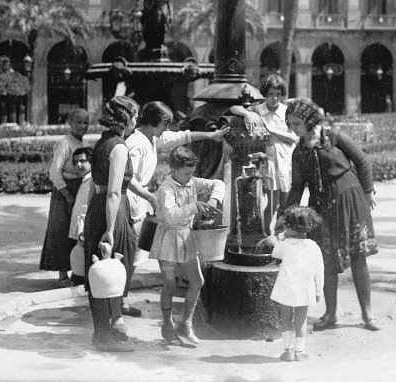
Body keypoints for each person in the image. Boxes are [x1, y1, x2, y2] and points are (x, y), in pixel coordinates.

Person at [122, 101, 230, 316]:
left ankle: (121, 300)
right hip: (130, 200)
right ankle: (118, 302)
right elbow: (127, 178)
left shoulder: (151, 137)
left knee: (133, 255)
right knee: (127, 253)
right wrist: (151, 198)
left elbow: (182, 137)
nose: (167, 129)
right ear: (153, 122)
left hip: (139, 200)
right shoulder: (135, 143)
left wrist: (211, 136)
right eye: (165, 124)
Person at [285, 98, 380, 332]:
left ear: (308, 121)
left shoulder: (334, 137)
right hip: (320, 207)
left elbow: (361, 160)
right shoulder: (299, 152)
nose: (293, 129)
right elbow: (297, 187)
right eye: (290, 124)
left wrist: (367, 192)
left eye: (296, 123)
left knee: (358, 256)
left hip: (349, 198)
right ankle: (330, 314)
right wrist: (286, 216)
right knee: (327, 261)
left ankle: (367, 314)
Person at [152, 146, 225, 347]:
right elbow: (170, 215)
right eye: (186, 173)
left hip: (186, 236)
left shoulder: (191, 181)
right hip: (168, 237)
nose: (190, 177)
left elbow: (218, 183)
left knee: (197, 280)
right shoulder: (166, 188)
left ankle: (186, 323)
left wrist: (212, 200)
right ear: (174, 169)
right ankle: (167, 325)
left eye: (192, 172)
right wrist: (195, 207)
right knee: (169, 284)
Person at [83, 96, 139, 353]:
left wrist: (88, 219)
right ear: (125, 119)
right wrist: (109, 228)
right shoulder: (119, 147)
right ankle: (103, 336)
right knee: (113, 267)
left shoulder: (101, 143)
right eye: (134, 117)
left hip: (98, 208)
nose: (136, 122)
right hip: (111, 212)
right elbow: (114, 192)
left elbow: (93, 187)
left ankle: (106, 330)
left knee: (100, 271)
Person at [231, 74, 298, 233]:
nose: (275, 98)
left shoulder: (286, 111)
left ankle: (281, 233)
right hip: (268, 159)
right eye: (271, 94)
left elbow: (294, 138)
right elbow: (233, 108)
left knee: (286, 202)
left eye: (278, 95)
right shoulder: (258, 109)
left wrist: (272, 131)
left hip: (286, 159)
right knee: (271, 203)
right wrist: (247, 114)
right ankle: (266, 233)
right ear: (265, 94)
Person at [260, 206, 324, 362]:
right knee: (301, 321)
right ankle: (299, 352)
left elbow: (275, 253)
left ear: (288, 227)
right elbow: (319, 270)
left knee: (286, 319)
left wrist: (281, 238)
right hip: (305, 288)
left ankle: (288, 351)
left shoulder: (285, 244)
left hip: (286, 287)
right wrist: (318, 291)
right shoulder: (314, 247)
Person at [40, 107, 90, 284]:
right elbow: (54, 172)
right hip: (64, 192)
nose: (83, 125)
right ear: (70, 122)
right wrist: (68, 195)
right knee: (61, 230)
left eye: (86, 122)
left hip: (80, 189)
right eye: (79, 122)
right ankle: (62, 274)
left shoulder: (82, 143)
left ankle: (77, 271)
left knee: (78, 229)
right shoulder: (64, 144)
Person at [68, 146, 92, 285]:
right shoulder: (84, 180)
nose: (79, 165)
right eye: (76, 162)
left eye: (82, 161)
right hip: (79, 223)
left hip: (85, 224)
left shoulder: (92, 180)